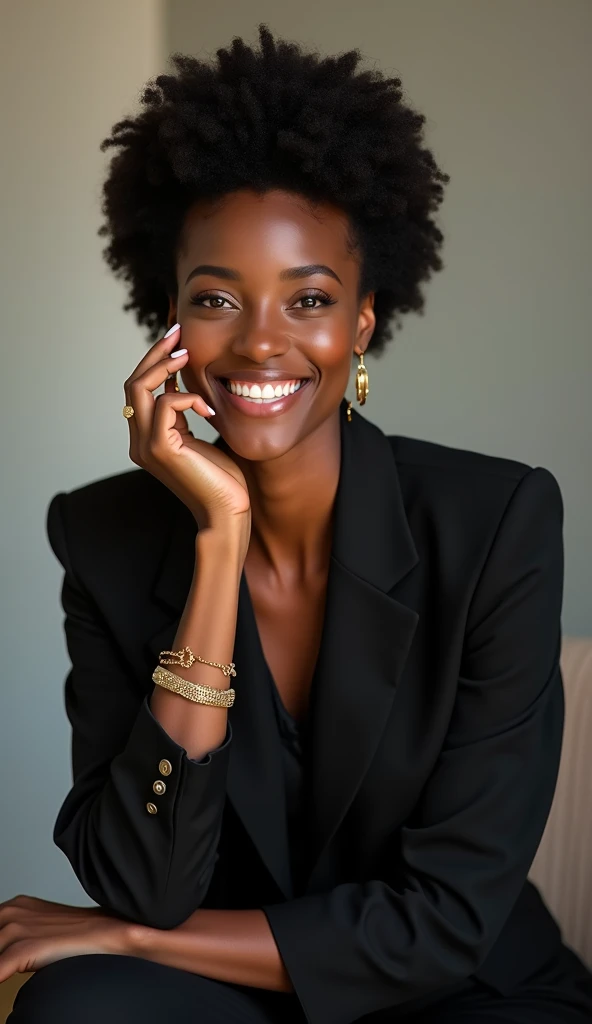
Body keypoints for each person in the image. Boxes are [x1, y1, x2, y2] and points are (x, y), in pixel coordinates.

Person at [4, 22, 592, 1024]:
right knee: (75, 1004)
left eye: (308, 298)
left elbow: (445, 916)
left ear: (362, 321)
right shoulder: (101, 540)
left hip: (455, 991)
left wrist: (140, 939)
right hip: (232, 990)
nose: (262, 343)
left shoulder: (495, 523)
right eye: (217, 298)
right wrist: (218, 540)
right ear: (172, 322)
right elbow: (144, 879)